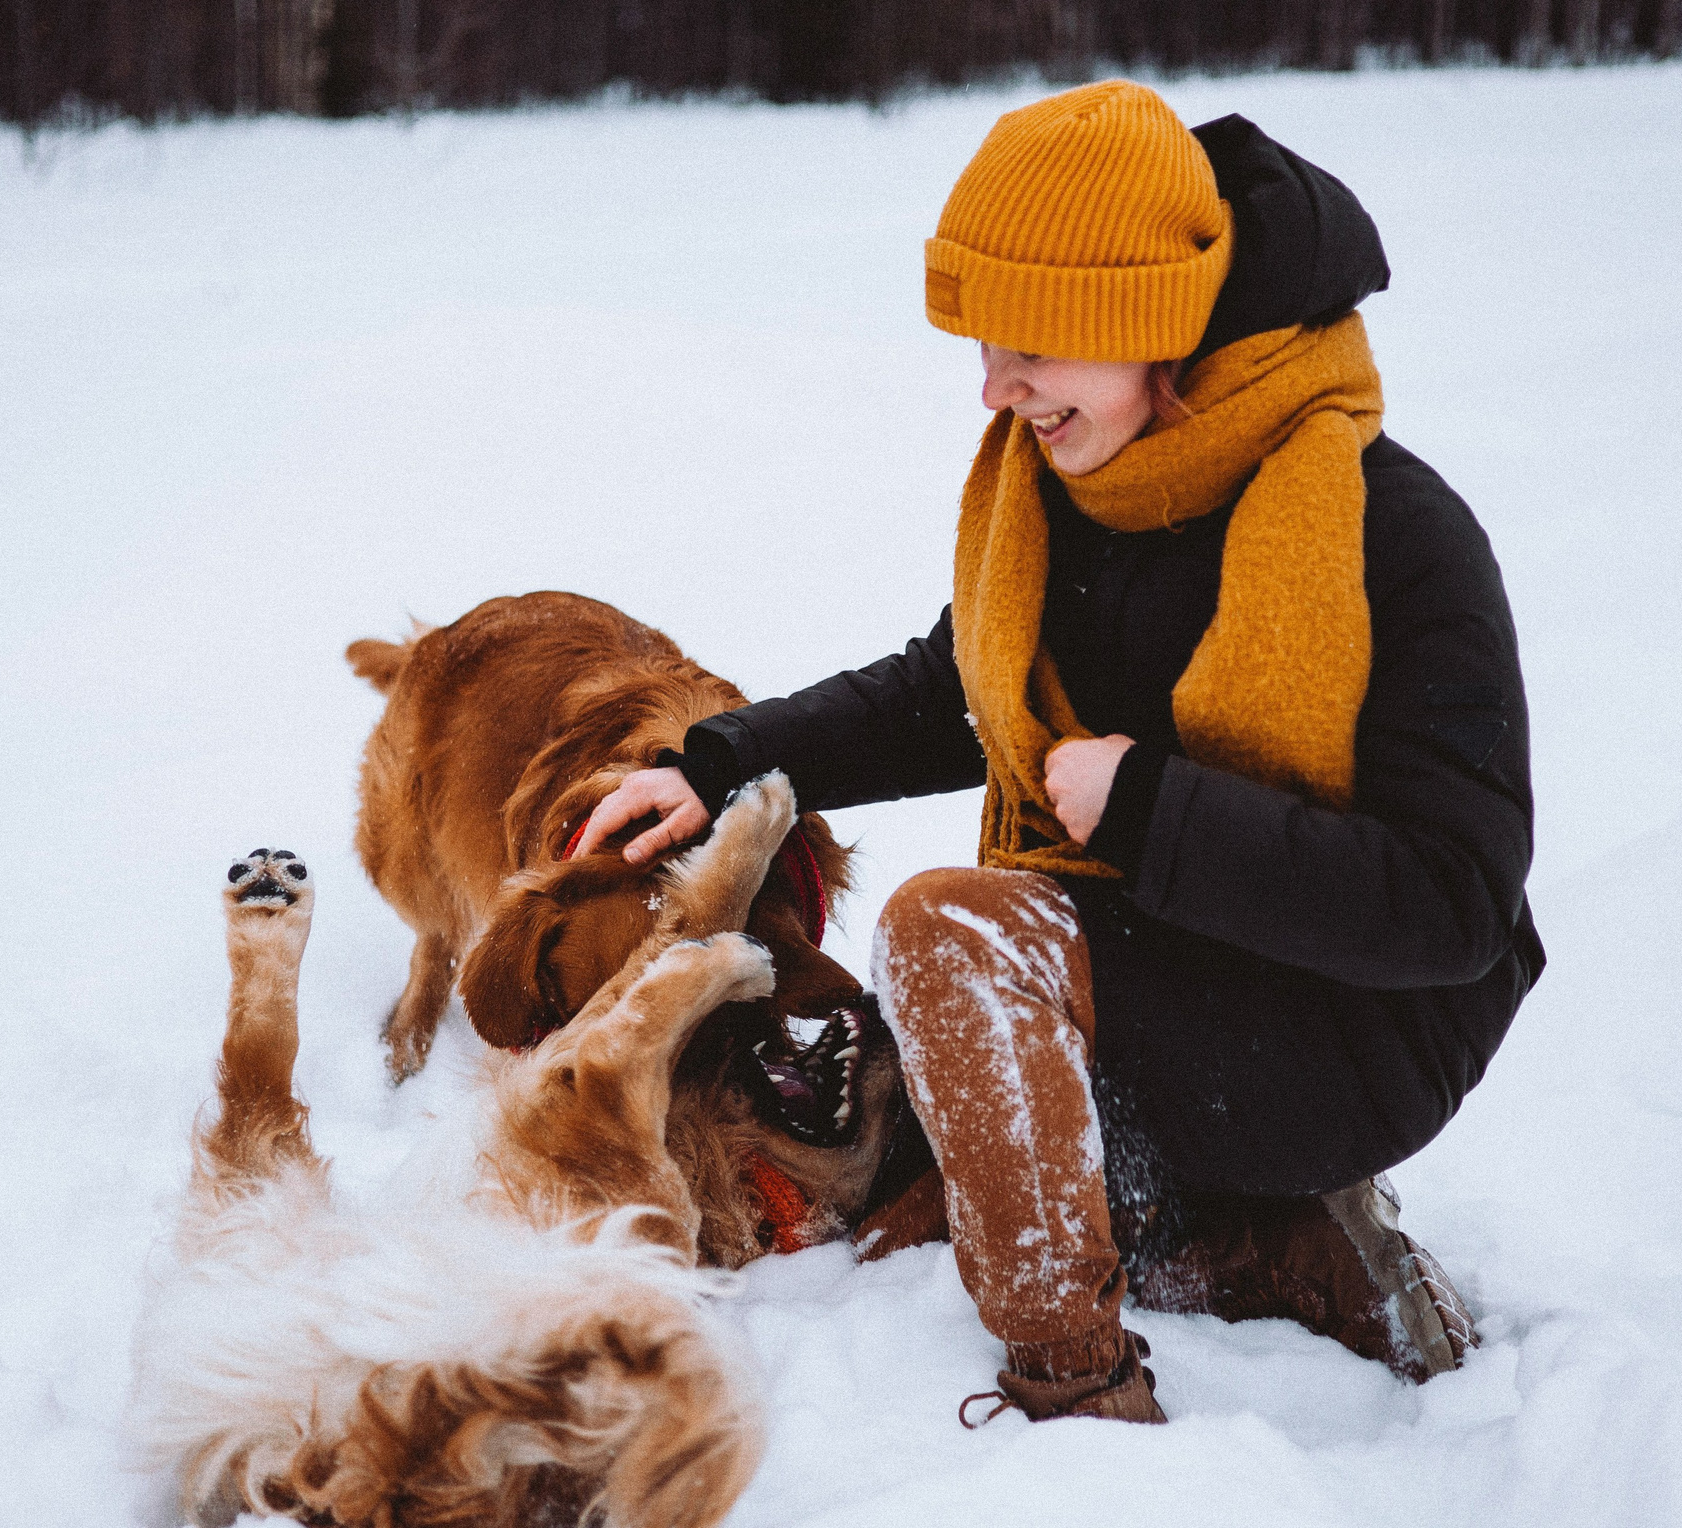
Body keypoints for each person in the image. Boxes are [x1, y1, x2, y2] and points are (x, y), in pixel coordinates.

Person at [576, 80, 1544, 1425]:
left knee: (947, 943)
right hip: (1164, 951)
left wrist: (1152, 809)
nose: (995, 388)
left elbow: (1453, 905)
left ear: (1150, 325)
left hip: (1354, 1025)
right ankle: (1242, 1244)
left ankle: (1081, 1387)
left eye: (1032, 343)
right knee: (922, 1054)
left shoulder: (1396, 534)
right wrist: (720, 763)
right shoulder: (1071, 491)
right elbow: (948, 690)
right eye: (982, 345)